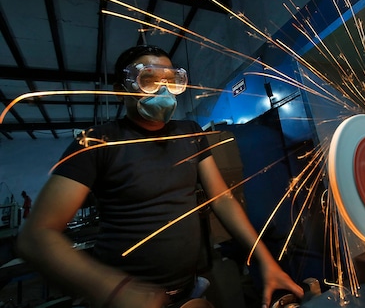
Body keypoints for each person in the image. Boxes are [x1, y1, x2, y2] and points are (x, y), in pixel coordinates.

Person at [17, 45, 304, 308]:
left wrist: (265, 260)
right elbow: (36, 236)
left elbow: (223, 199)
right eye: (150, 81)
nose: (163, 91)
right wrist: (113, 289)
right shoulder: (96, 142)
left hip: (189, 290)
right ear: (121, 90)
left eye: (171, 81)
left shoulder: (190, 132)